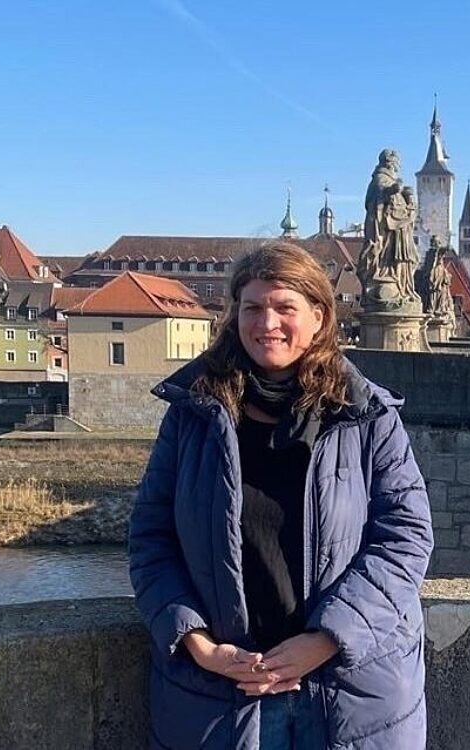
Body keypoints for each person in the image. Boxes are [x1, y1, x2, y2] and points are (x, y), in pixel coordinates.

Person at [130, 242, 433, 749]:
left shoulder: (366, 415)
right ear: (234, 315)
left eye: (284, 307)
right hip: (221, 690)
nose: (266, 322)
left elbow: (406, 537)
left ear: (318, 317)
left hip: (350, 689)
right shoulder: (193, 413)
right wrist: (196, 642)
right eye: (252, 307)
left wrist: (327, 639)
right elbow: (150, 538)